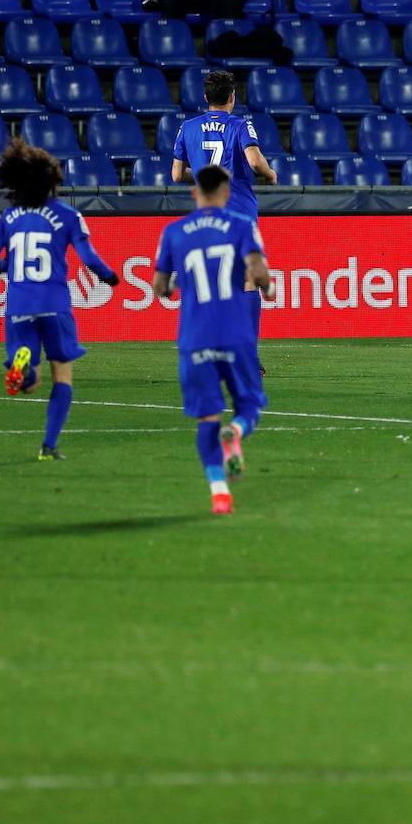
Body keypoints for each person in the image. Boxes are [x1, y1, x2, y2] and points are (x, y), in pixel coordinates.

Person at [0, 138, 119, 461]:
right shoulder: (68, 215)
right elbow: (89, 258)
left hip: (18, 303)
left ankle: (22, 363)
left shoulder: (8, 217)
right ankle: (49, 446)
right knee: (62, 374)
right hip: (54, 303)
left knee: (29, 381)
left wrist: (9, 269)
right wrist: (109, 277)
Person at [153, 166, 272, 516]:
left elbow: (160, 287)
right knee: (249, 407)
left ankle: (220, 493)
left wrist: (175, 285)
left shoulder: (173, 232)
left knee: (207, 419)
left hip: (195, 339)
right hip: (236, 335)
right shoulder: (241, 227)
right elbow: (259, 272)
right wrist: (266, 284)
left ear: (195, 193)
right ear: (225, 192)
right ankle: (235, 430)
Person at [173, 70, 277, 373]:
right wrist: (270, 175)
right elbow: (255, 161)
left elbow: (177, 175)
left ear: (206, 97)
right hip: (239, 213)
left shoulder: (187, 128)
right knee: (247, 282)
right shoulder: (241, 124)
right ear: (232, 97)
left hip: (205, 218)